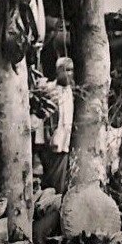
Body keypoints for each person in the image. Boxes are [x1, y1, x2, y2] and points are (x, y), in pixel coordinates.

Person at [40, 57, 74, 194]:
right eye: (66, 70)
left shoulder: (73, 91)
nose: (69, 74)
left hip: (67, 140)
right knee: (52, 176)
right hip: (53, 139)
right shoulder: (50, 90)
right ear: (58, 71)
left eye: (71, 70)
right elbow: (44, 117)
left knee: (63, 178)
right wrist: (48, 134)